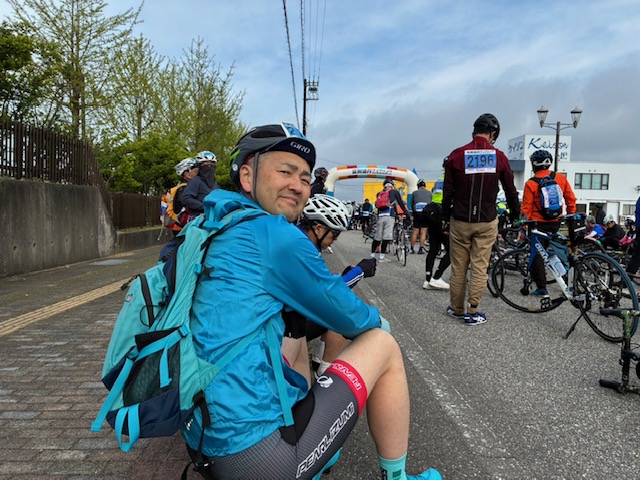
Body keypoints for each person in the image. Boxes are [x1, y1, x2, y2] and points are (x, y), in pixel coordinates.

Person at [183, 123, 441, 480]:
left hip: (204, 438)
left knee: (294, 328)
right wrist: (378, 326)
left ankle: (316, 454)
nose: (297, 185)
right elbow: (350, 315)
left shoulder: (215, 224)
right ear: (247, 175)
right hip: (256, 459)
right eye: (285, 171)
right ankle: (396, 478)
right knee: (383, 343)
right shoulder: (274, 234)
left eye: (304, 178)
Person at [442, 113, 520, 325]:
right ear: (493, 134)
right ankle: (473, 310)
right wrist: (515, 214)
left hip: (459, 219)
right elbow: (511, 191)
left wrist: (445, 217)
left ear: (473, 131)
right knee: (479, 266)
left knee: (459, 267)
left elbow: (447, 192)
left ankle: (457, 309)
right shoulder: (499, 157)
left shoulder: (456, 156)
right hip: (486, 220)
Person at [521, 149, 577, 297]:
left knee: (537, 254)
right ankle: (568, 279)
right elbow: (571, 199)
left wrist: (524, 223)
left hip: (537, 224)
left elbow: (526, 207)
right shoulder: (560, 178)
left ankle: (541, 287)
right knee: (556, 250)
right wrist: (570, 214)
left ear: (533, 165)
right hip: (556, 221)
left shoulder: (531, 183)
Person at [423, 161, 451, 290]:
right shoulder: (452, 178)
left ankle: (427, 279)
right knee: (452, 251)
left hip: (433, 213)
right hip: (443, 214)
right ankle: (436, 277)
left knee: (433, 249)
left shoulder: (439, 178)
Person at [371, 179, 410, 263]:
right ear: (392, 185)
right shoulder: (394, 192)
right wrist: (407, 214)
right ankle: (381, 257)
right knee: (386, 237)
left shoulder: (380, 194)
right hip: (390, 217)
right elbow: (401, 203)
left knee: (377, 237)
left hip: (380, 216)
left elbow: (377, 206)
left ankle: (372, 255)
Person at [181, 150, 219, 218]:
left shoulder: (215, 184)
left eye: (211, 165)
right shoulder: (195, 181)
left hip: (213, 217)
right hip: (198, 219)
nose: (209, 167)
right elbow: (186, 198)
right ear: (199, 166)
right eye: (205, 165)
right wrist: (204, 207)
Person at [409, 179, 432, 254]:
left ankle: (411, 248)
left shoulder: (414, 193)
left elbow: (412, 204)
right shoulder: (429, 193)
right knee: (423, 231)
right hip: (426, 213)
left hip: (417, 213)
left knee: (415, 231)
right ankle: (421, 248)